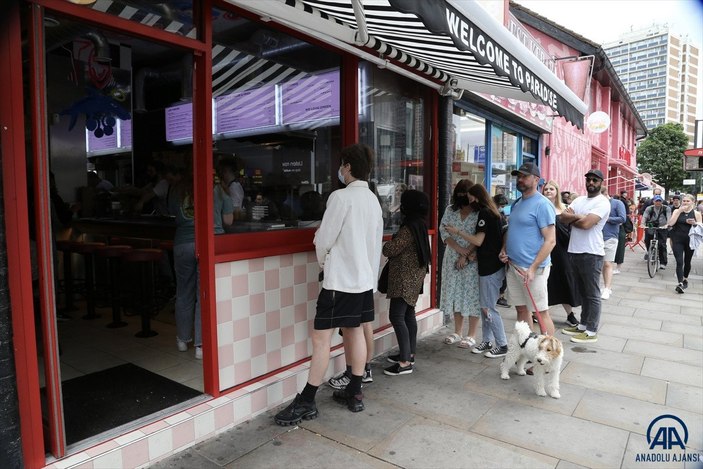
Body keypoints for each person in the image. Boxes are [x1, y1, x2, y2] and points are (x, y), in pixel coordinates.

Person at [274, 143, 383, 425]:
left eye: (342, 165)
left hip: (340, 281)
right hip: (363, 281)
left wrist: (325, 264)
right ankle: (355, 393)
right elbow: (374, 244)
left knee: (321, 339)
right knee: (354, 331)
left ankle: (307, 401)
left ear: (347, 167)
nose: (340, 169)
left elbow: (323, 239)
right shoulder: (372, 199)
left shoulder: (341, 197)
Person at [446, 184, 508, 358]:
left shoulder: (485, 214)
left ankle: (502, 344)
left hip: (490, 267)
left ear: (477, 197)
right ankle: (487, 341)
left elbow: (479, 241)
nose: (469, 200)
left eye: (471, 197)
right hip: (491, 265)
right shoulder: (495, 213)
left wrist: (456, 231)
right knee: (484, 307)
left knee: (488, 308)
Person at [499, 163, 556, 336]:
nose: (520, 180)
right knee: (521, 310)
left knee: (541, 312)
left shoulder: (542, 204)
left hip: (533, 269)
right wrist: (504, 249)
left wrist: (532, 268)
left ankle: (549, 357)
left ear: (536, 179)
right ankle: (527, 349)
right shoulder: (517, 203)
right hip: (514, 266)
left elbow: (550, 241)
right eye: (519, 176)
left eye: (525, 176)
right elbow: (511, 229)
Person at [381, 190, 431, 375]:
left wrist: (387, 243)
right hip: (413, 278)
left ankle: (404, 363)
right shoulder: (420, 225)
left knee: (397, 316)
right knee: (408, 314)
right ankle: (409, 354)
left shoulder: (408, 228)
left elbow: (390, 250)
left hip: (403, 280)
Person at [560, 169, 611, 343]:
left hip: (592, 253)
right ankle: (583, 325)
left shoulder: (602, 202)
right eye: (588, 179)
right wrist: (578, 217)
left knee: (592, 293)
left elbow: (586, 224)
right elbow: (562, 218)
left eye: (595, 180)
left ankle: (591, 330)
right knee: (582, 292)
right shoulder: (579, 200)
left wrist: (575, 218)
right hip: (574, 250)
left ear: (601, 182)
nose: (591, 182)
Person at [439, 179, 481, 349]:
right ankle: (457, 331)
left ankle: (471, 334)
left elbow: (479, 236)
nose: (463, 198)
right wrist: (458, 249)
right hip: (451, 257)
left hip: (472, 260)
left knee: (472, 296)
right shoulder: (451, 210)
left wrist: (466, 254)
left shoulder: (479, 212)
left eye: (466, 195)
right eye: (460, 194)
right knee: (455, 293)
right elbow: (443, 230)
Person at [542, 179, 581, 327]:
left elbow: (573, 228)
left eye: (551, 189)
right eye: (546, 189)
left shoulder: (565, 209)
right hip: (544, 249)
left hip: (562, 250)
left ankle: (570, 314)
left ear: (557, 192)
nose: (549, 192)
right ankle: (539, 312)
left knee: (565, 279)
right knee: (544, 282)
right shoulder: (540, 207)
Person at [666, 193, 702, 293]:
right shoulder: (677, 211)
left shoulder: (697, 214)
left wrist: (695, 224)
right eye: (684, 201)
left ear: (692, 202)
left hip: (690, 241)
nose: (685, 203)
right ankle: (680, 283)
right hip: (677, 239)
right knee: (679, 261)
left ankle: (685, 278)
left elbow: (700, 228)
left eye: (688, 201)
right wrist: (678, 212)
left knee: (687, 261)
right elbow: (670, 223)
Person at [600, 188, 626, 300]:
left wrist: (607, 218)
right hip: (596, 237)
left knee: (607, 263)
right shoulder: (597, 204)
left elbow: (622, 218)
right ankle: (603, 286)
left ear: (605, 194)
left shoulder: (617, 203)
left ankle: (607, 288)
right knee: (600, 265)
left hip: (610, 236)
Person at [642, 195, 671, 269]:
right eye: (656, 201)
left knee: (662, 245)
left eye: (659, 201)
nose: (658, 202)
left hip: (662, 226)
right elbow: (645, 216)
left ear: (662, 201)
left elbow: (669, 217)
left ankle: (663, 263)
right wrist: (642, 224)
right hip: (651, 225)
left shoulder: (666, 208)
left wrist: (667, 225)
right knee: (647, 239)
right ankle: (649, 251)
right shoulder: (649, 208)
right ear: (653, 201)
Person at [493, 193, 510, 308]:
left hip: (501, 248)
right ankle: (499, 296)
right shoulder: (494, 215)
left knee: (502, 274)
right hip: (495, 248)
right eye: (500, 205)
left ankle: (500, 295)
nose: (501, 208)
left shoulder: (502, 216)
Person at [217, 155, 246, 220]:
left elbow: (235, 212)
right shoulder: (236, 185)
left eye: (221, 171)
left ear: (226, 171)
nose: (220, 174)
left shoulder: (233, 187)